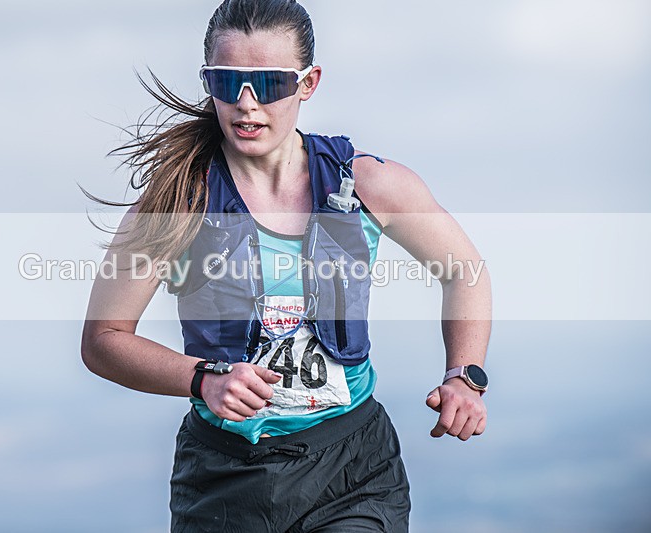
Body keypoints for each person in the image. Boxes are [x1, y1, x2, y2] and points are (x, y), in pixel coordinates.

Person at [81, 0, 491, 531]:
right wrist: (203, 378)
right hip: (224, 479)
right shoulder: (177, 201)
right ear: (209, 83)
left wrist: (465, 375)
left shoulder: (369, 185)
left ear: (308, 82)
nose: (247, 106)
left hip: (353, 471)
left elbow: (466, 272)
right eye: (228, 83)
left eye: (270, 83)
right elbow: (103, 339)